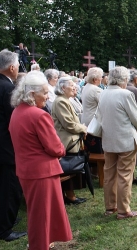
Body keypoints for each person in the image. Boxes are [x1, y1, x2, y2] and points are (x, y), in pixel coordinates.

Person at [9, 72, 72, 250]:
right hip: (42, 172)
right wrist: (61, 149)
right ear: (31, 94)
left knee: (39, 213)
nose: (48, 96)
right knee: (42, 216)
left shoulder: (17, 112)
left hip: (27, 170)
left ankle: (42, 243)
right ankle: (39, 246)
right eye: (44, 92)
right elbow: (55, 148)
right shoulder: (39, 115)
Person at [0, 49, 26, 242]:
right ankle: (2, 229)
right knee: (9, 188)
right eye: (17, 66)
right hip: (5, 147)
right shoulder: (8, 88)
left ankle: (5, 218)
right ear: (11, 67)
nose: (18, 69)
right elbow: (14, 120)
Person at [98, 66, 137, 219]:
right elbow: (136, 118)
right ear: (124, 80)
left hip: (108, 139)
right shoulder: (125, 94)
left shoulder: (103, 93)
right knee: (125, 174)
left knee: (109, 173)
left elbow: (99, 116)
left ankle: (110, 207)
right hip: (125, 140)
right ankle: (124, 210)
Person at [52, 76, 88, 204]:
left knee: (71, 170)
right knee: (68, 168)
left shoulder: (65, 100)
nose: (75, 87)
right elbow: (69, 124)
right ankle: (69, 196)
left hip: (71, 139)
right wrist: (83, 128)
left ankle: (70, 194)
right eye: (71, 86)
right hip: (67, 141)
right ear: (63, 88)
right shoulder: (61, 101)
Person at [81, 67, 103, 153]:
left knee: (89, 150)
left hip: (86, 121)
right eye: (100, 77)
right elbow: (104, 104)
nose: (102, 78)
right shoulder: (96, 90)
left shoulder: (86, 87)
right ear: (95, 79)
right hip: (94, 124)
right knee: (97, 151)